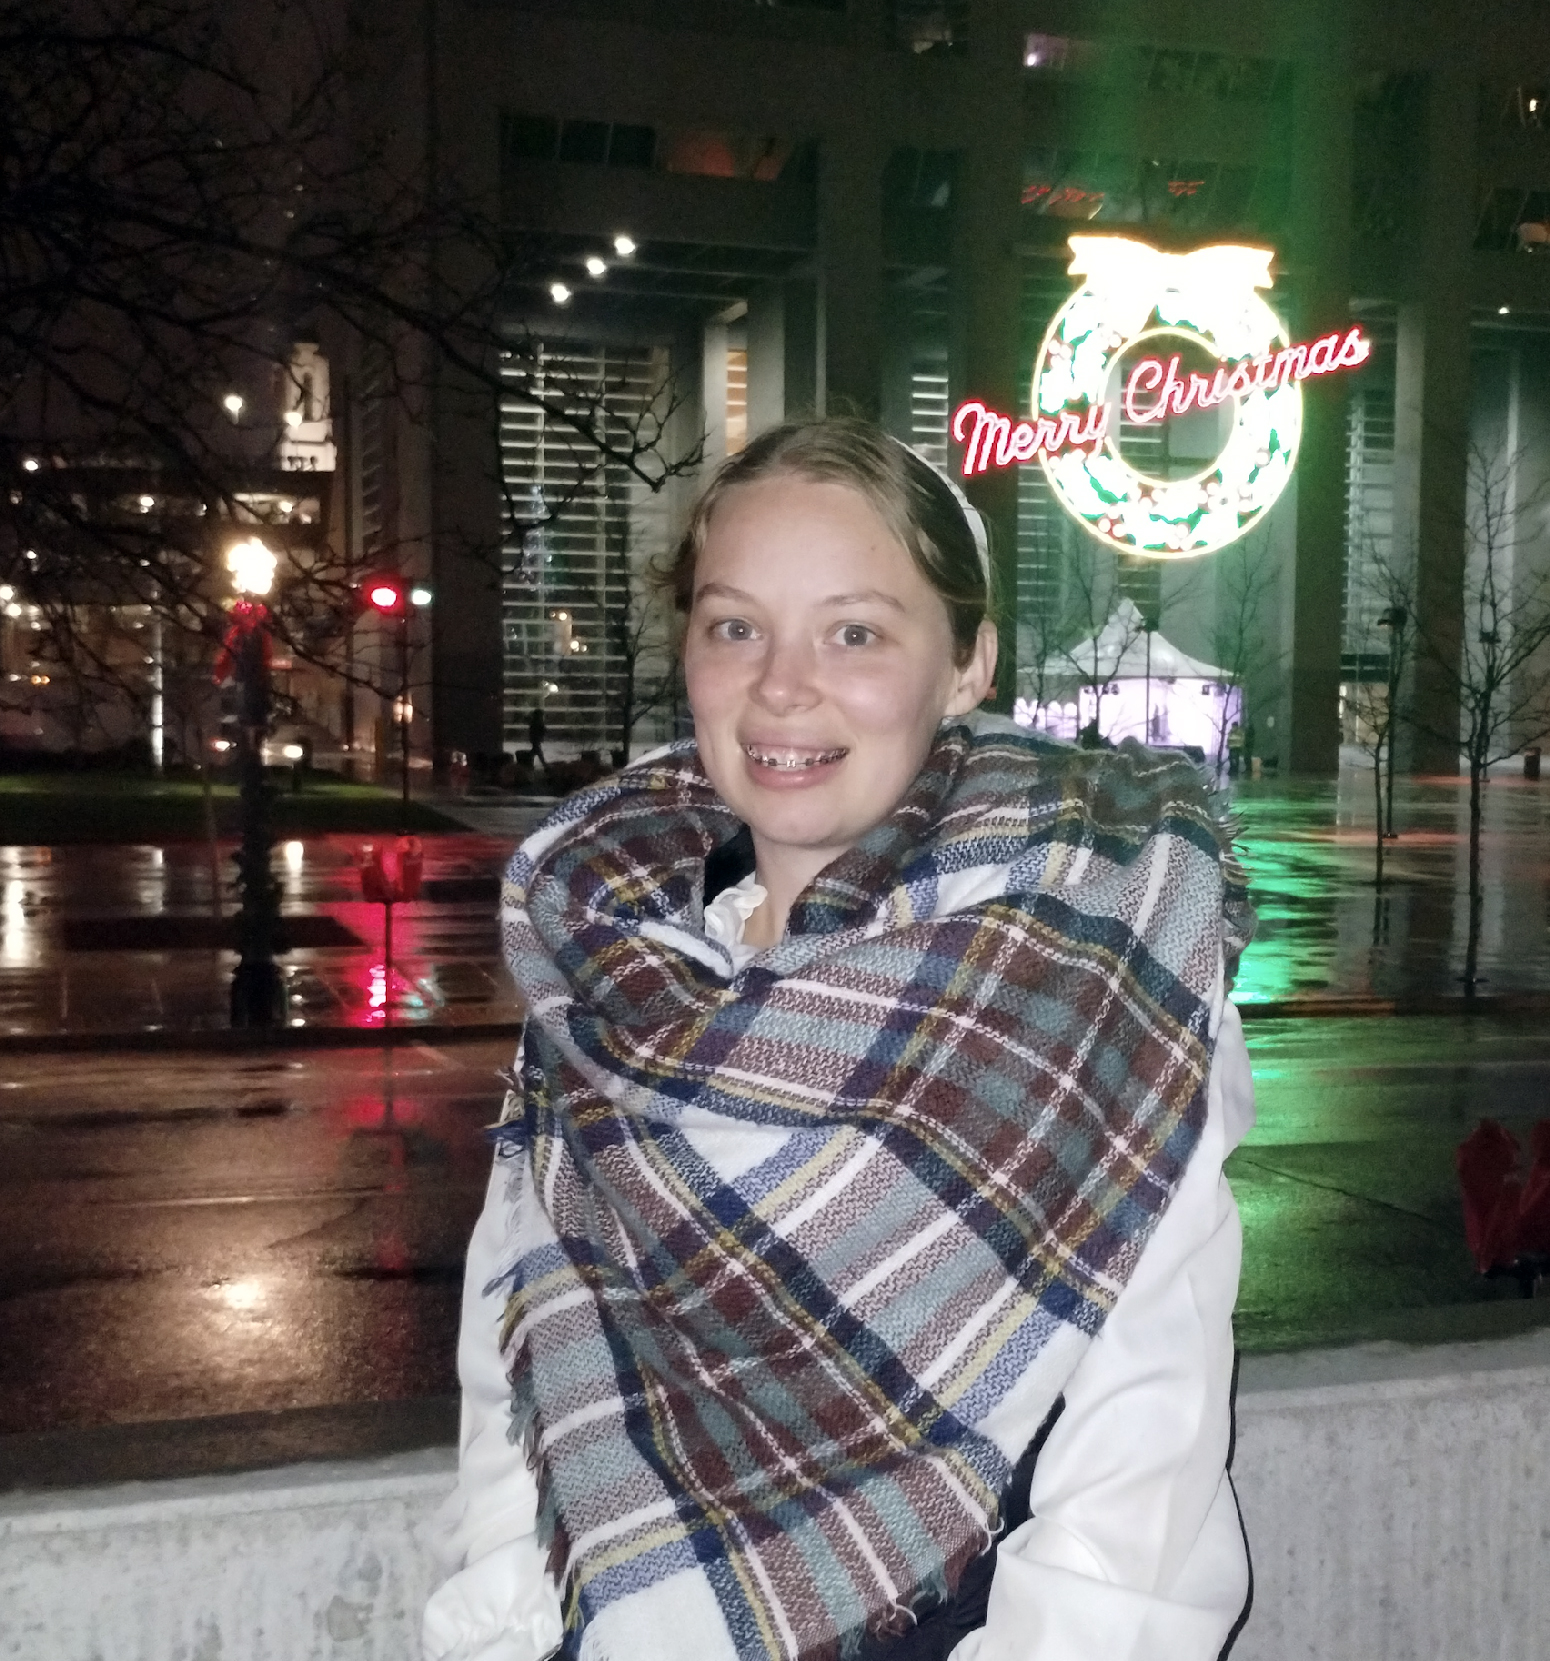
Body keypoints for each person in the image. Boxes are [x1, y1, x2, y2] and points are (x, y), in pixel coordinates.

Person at [424, 419, 1256, 1661]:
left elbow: (1140, 1466)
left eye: (854, 631)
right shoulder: (606, 977)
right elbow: (517, 1388)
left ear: (967, 661)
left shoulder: (1087, 979)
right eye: (735, 624)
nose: (779, 685)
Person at [528, 704, 547, 770]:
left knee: (535, 751)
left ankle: (529, 763)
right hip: (536, 739)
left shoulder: (534, 722)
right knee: (538, 752)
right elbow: (543, 730)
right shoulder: (538, 722)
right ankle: (545, 765)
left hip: (535, 739)